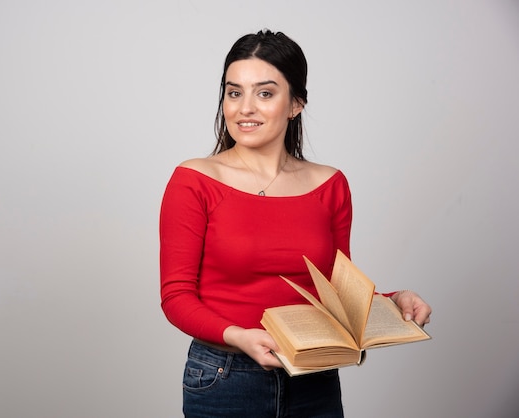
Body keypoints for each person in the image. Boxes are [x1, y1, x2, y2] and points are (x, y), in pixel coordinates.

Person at [159, 29, 432, 418]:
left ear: (296, 104)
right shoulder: (194, 181)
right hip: (226, 377)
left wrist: (393, 303)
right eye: (234, 92)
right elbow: (176, 297)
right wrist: (240, 337)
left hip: (313, 377)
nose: (244, 108)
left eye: (265, 93)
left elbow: (336, 295)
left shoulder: (330, 184)